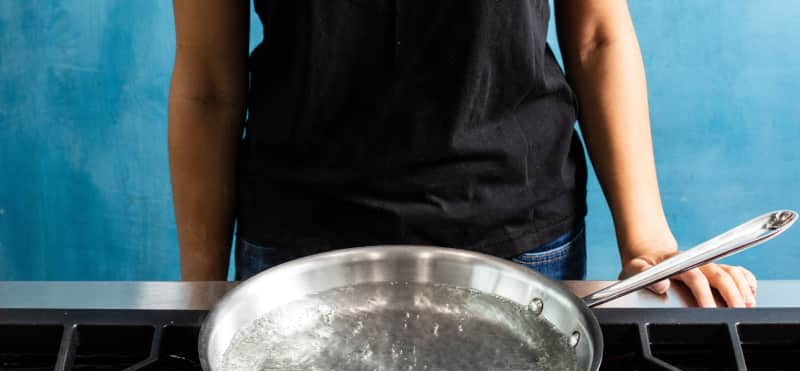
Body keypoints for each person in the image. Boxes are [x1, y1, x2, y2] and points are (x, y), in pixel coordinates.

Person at [169, 0, 757, 307]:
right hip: (297, 244)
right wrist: (199, 292)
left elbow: (598, 35)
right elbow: (209, 85)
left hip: (519, 243)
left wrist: (649, 243)